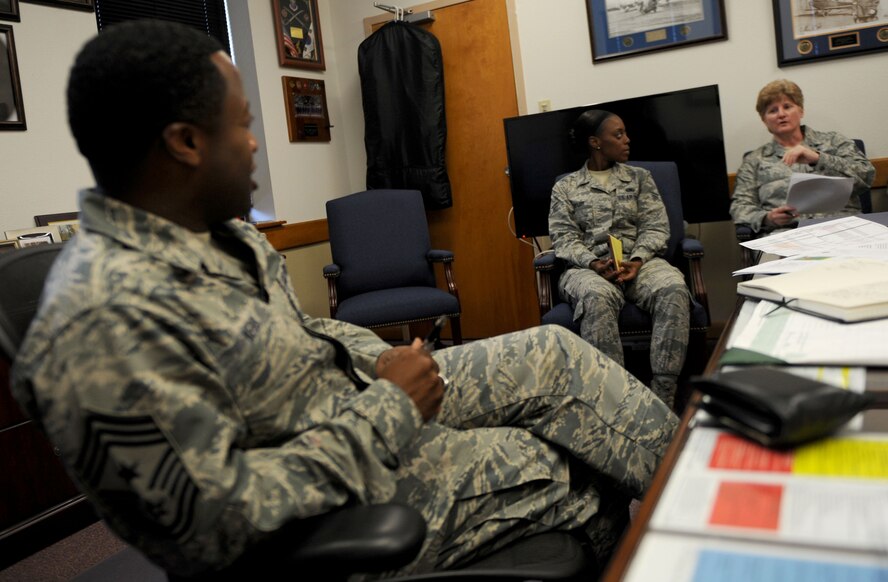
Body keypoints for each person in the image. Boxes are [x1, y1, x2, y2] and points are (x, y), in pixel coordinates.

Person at [11, 20, 678, 578]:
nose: (252, 144)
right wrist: (390, 409)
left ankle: (717, 487)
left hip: (365, 402)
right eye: (242, 126)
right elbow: (211, 525)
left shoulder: (219, 238)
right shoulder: (104, 323)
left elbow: (296, 344)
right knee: (579, 468)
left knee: (558, 355)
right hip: (341, 496)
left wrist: (384, 365)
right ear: (184, 144)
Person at [548, 109, 691, 410]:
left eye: (625, 133)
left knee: (673, 288)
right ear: (595, 142)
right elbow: (564, 238)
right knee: (597, 296)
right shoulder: (566, 188)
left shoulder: (640, 178)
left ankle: (663, 396)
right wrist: (593, 263)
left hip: (640, 263)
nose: (627, 140)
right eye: (618, 134)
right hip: (588, 269)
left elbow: (656, 226)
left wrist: (637, 260)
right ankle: (617, 401)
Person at [730, 79, 875, 236]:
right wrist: (767, 218)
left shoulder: (834, 142)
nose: (781, 114)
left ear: (801, 111)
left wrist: (818, 158)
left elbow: (866, 176)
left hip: (842, 227)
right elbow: (740, 206)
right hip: (787, 235)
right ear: (764, 120)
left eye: (787, 106)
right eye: (772, 110)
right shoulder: (754, 160)